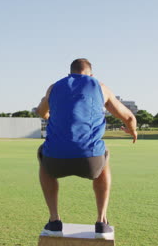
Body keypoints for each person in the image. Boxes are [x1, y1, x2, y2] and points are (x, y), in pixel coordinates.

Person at [36, 58, 137, 239]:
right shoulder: (100, 86)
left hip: (55, 161)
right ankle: (102, 223)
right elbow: (129, 118)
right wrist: (132, 131)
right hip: (90, 161)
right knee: (104, 155)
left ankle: (54, 221)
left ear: (70, 73)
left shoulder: (53, 87)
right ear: (91, 74)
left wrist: (51, 113)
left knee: (43, 155)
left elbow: (41, 112)